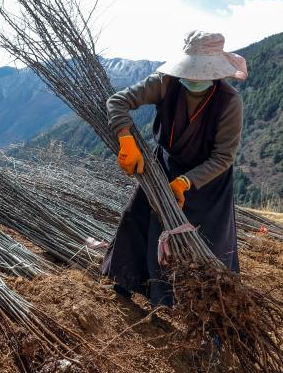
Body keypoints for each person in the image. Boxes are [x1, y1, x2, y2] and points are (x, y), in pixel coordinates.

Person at [101, 30, 248, 307]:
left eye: (202, 73)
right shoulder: (165, 83)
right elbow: (117, 102)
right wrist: (125, 138)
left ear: (215, 72)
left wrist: (185, 183)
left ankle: (204, 307)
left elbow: (223, 156)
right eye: (190, 70)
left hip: (207, 181)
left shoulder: (229, 102)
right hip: (164, 166)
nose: (193, 78)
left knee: (207, 243)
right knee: (140, 218)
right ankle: (125, 281)